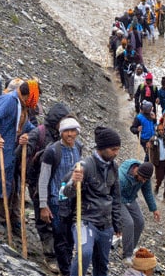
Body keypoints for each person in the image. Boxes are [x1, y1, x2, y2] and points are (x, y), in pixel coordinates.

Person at [63, 126, 124, 276]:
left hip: (106, 224)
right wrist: (74, 182)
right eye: (113, 149)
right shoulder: (84, 166)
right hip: (85, 220)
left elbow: (115, 197)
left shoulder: (113, 167)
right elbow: (65, 192)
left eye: (117, 149)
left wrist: (117, 223)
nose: (116, 153)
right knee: (84, 253)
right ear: (102, 148)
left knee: (102, 264)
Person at [0, 79, 39, 229]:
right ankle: (2, 217)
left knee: (11, 183)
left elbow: (25, 125)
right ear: (26, 96)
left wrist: (32, 133)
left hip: (9, 149)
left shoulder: (22, 106)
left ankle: (12, 216)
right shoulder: (8, 101)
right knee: (4, 182)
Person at [25, 102, 73, 269]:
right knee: (44, 220)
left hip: (58, 185)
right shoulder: (38, 134)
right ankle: (50, 256)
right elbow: (22, 156)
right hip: (38, 184)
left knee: (60, 222)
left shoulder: (62, 136)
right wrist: (27, 179)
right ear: (56, 120)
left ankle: (62, 257)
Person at [39, 116, 83, 275]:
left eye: (73, 131)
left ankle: (68, 265)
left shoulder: (78, 147)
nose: (70, 134)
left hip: (74, 200)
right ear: (61, 132)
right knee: (60, 235)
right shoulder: (52, 151)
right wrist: (43, 205)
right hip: (56, 199)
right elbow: (43, 178)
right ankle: (65, 270)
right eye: (66, 131)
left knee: (71, 236)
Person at [118, 159, 159, 265]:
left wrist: (154, 209)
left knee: (140, 222)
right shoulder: (122, 178)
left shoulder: (144, 176)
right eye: (143, 178)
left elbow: (147, 192)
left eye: (146, 179)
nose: (144, 181)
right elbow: (112, 197)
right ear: (137, 172)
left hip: (131, 198)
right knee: (128, 223)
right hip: (118, 200)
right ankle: (126, 256)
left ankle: (130, 248)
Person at [147, 122, 165, 205]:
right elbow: (149, 151)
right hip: (159, 163)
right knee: (159, 178)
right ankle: (157, 187)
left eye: (162, 130)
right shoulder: (153, 139)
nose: (161, 131)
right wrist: (148, 146)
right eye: (159, 130)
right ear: (157, 131)